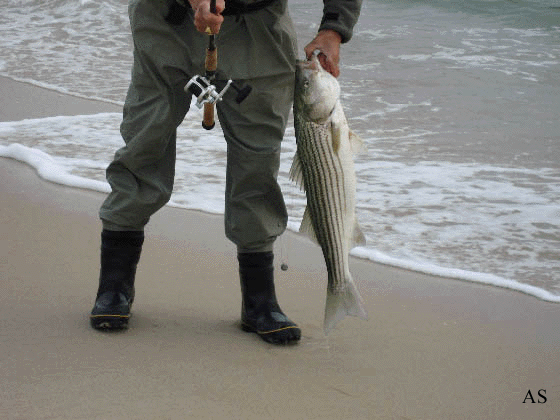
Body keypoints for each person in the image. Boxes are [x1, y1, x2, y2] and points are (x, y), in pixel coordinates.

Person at [90, 0, 362, 345]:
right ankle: (114, 287)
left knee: (258, 160)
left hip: (259, 26)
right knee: (144, 143)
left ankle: (259, 301)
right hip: (167, 20)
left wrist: (333, 29)